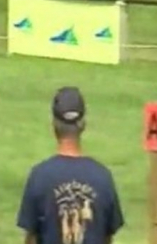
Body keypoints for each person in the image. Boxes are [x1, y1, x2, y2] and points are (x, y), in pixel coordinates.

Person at [16, 87, 125, 244]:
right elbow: (107, 238)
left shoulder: (39, 176)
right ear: (83, 125)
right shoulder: (103, 177)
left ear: (54, 124)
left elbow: (31, 238)